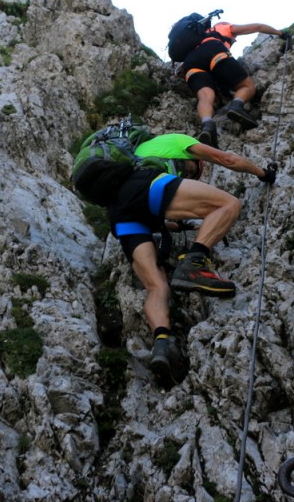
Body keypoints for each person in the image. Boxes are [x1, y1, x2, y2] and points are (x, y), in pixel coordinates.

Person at [104, 132, 276, 385]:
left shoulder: (135, 155)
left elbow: (158, 216)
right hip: (145, 186)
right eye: (197, 172)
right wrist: (263, 173)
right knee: (228, 204)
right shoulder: (178, 141)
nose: (192, 178)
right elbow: (227, 159)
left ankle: (162, 343)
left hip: (119, 212)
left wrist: (187, 227)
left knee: (156, 286)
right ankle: (195, 261)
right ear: (198, 162)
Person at [179, 20, 291, 147]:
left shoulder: (198, 37)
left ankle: (207, 125)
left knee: (205, 97)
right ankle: (236, 106)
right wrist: (280, 33)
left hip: (190, 63)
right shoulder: (224, 27)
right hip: (214, 51)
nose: (234, 40)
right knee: (247, 86)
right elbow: (257, 26)